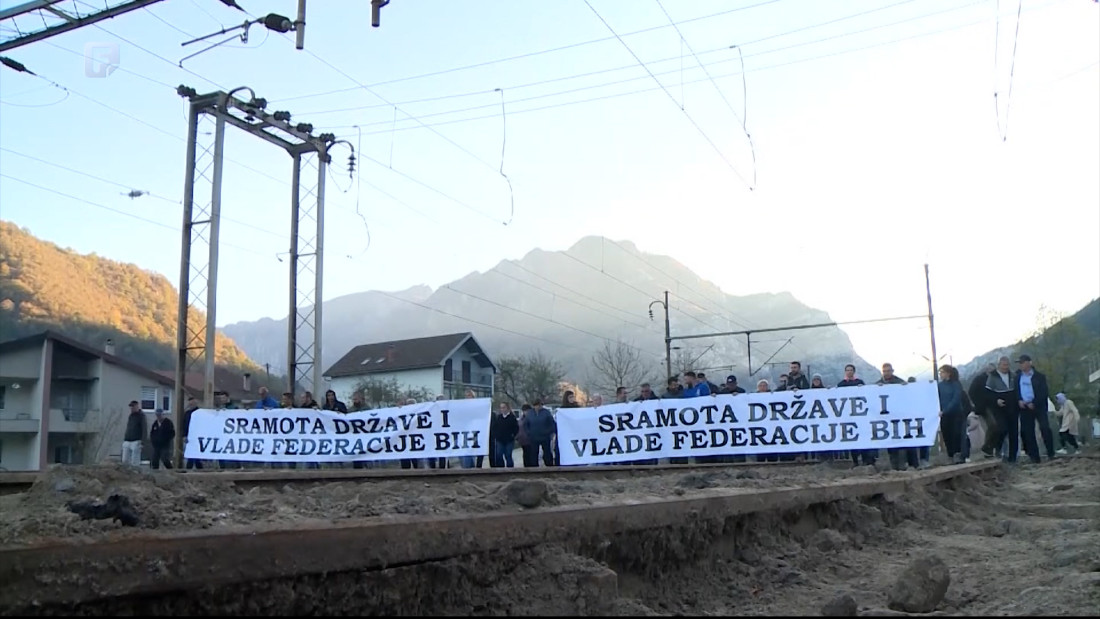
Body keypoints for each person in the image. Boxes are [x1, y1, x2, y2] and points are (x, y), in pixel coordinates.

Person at [1015, 354, 1054, 463]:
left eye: (1022, 362)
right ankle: (1034, 457)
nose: (1021, 365)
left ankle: (1051, 453)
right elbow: (1016, 392)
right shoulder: (1017, 377)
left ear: (1029, 363)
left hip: (1039, 406)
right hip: (1024, 407)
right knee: (1028, 432)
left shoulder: (1039, 376)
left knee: (1045, 428)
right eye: (1019, 363)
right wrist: (1019, 400)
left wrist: (1035, 403)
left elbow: (1044, 392)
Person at [985, 356, 1019, 463]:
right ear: (999, 365)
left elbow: (1016, 391)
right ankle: (996, 448)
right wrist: (996, 400)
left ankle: (1012, 458)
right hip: (999, 407)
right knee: (1002, 429)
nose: (1005, 367)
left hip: (1012, 406)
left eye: (1007, 365)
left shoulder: (1013, 375)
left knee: (1014, 432)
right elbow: (988, 394)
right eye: (1003, 365)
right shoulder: (993, 376)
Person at [938, 365, 967, 464]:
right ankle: (950, 455)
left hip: (956, 414)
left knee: (956, 434)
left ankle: (958, 454)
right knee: (947, 435)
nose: (940, 374)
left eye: (942, 372)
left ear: (948, 373)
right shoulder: (940, 385)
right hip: (944, 415)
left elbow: (956, 399)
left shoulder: (956, 384)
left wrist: (945, 410)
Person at [522, 399, 557, 467]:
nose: (538, 407)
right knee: (534, 454)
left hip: (545, 437)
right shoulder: (530, 413)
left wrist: (549, 432)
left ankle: (550, 466)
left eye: (539, 405)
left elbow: (552, 423)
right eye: (536, 405)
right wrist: (528, 433)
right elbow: (525, 424)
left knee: (547, 453)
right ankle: (534, 468)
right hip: (533, 437)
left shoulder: (546, 413)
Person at [491, 402, 519, 468]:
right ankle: (501, 469)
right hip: (500, 440)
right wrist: (496, 436)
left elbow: (516, 428)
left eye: (504, 407)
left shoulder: (512, 417)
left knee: (508, 455)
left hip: (509, 440)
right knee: (499, 455)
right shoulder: (499, 417)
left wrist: (513, 435)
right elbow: (494, 428)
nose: (502, 409)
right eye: (501, 408)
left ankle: (510, 469)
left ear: (507, 408)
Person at [121, 400, 145, 467]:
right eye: (131, 407)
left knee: (135, 461)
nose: (131, 408)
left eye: (133, 406)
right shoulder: (130, 416)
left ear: (137, 406)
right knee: (125, 460)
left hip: (136, 440)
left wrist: (142, 441)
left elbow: (144, 429)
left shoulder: (141, 416)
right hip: (128, 439)